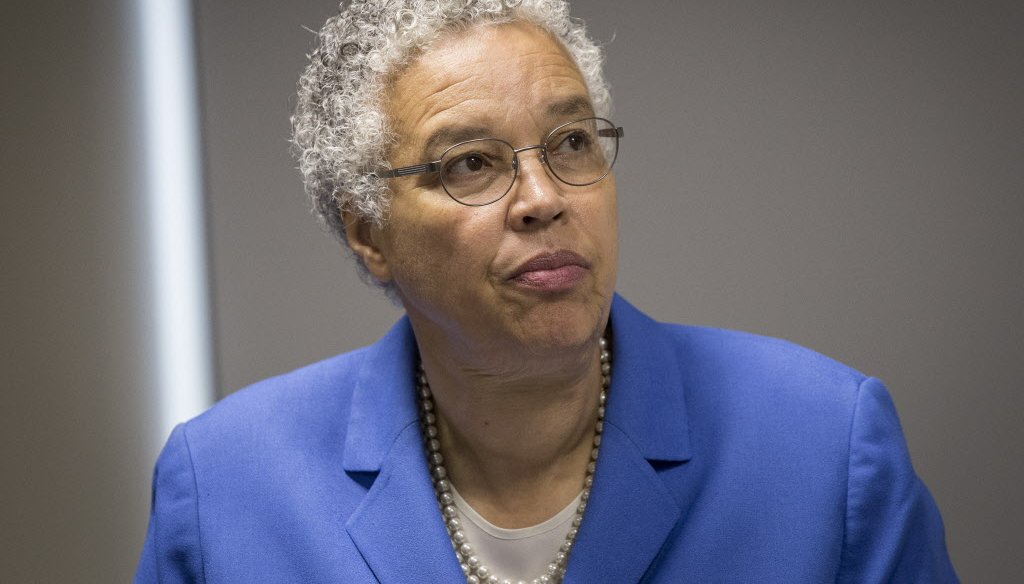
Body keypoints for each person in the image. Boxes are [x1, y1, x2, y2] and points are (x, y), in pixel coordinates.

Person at [135, 1, 958, 582]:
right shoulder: (225, 487)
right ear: (368, 232)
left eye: (570, 142)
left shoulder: (826, 445)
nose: (543, 198)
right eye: (470, 162)